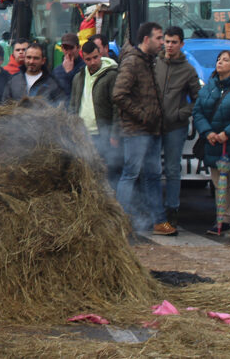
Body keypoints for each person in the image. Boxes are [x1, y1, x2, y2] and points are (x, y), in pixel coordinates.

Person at [112, 22, 175, 236]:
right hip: (137, 130)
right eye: (158, 38)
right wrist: (142, 115)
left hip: (151, 129)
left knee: (153, 175)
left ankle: (158, 220)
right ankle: (121, 220)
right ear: (146, 40)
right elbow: (119, 94)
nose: (162, 43)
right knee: (131, 173)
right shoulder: (132, 62)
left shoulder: (149, 61)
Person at [193, 50, 230, 235]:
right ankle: (222, 219)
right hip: (214, 142)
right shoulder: (210, 86)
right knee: (219, 183)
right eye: (218, 59)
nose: (220, 62)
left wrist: (228, 133)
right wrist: (207, 132)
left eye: (225, 60)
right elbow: (198, 111)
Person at [155, 26, 200, 228]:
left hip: (176, 126)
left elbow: (198, 98)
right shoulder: (154, 63)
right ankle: (154, 210)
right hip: (153, 124)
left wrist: (182, 112)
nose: (170, 45)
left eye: (174, 42)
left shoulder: (188, 70)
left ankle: (172, 209)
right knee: (152, 169)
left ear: (181, 44)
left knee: (173, 169)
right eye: (167, 41)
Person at [70, 40, 120, 188]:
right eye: (88, 59)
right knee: (88, 172)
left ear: (100, 54)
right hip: (83, 134)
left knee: (108, 172)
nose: (93, 62)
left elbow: (117, 107)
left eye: (95, 57)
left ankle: (111, 205)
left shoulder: (111, 75)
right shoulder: (78, 78)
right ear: (83, 58)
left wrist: (115, 133)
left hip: (104, 134)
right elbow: (73, 105)